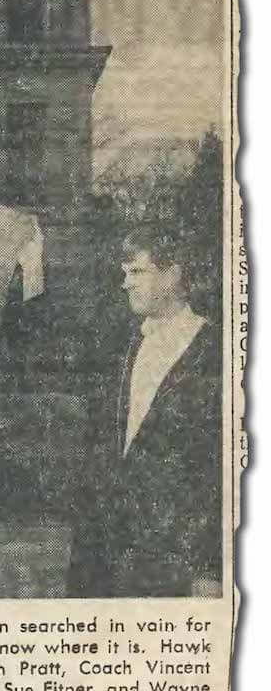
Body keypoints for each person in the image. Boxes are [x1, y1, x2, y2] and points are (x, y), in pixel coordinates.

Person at [68, 225, 221, 598]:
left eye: (137, 272)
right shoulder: (124, 342)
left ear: (173, 275)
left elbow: (221, 469)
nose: (125, 284)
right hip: (106, 550)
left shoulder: (215, 352)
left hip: (172, 558)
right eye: (124, 274)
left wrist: (210, 566)